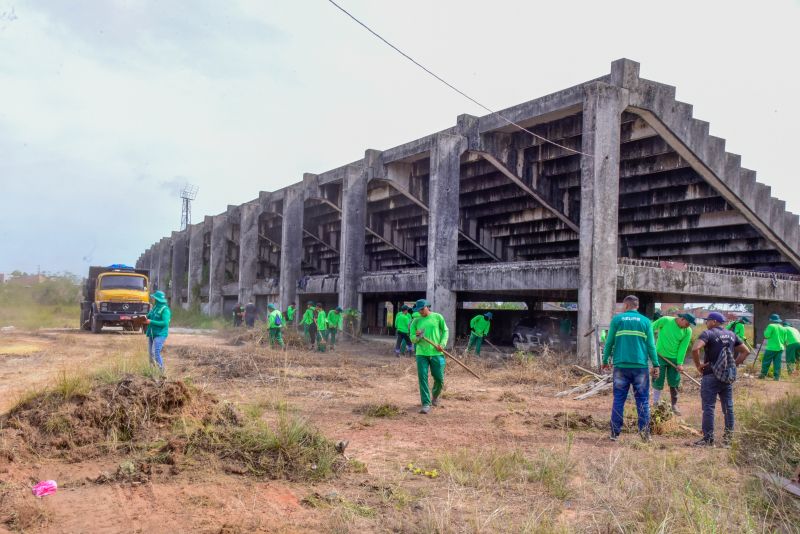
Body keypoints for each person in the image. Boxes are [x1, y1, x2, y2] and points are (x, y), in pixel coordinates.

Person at [601, 295, 659, 442]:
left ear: (626, 306)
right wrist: (656, 364)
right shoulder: (646, 322)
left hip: (621, 366)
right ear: (637, 306)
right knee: (643, 400)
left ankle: (614, 433)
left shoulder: (617, 320)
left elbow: (609, 343)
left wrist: (605, 360)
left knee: (619, 398)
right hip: (640, 367)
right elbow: (651, 346)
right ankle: (645, 434)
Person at [690, 311, 749, 447]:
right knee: (728, 407)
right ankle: (728, 440)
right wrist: (733, 365)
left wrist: (699, 365)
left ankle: (708, 439)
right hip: (726, 377)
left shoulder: (708, 334)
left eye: (708, 320)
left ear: (714, 322)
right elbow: (746, 351)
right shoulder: (732, 335)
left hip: (710, 375)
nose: (706, 323)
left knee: (709, 407)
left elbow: (695, 349)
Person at [651, 312, 695, 415]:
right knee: (658, 378)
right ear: (682, 319)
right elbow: (650, 328)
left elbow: (683, 348)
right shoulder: (666, 320)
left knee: (674, 381)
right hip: (659, 356)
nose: (688, 326)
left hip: (674, 359)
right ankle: (655, 403)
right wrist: (651, 344)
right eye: (688, 323)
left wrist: (680, 363)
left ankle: (674, 405)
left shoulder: (687, 331)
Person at [409, 299, 449, 414]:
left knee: (439, 379)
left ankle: (435, 396)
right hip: (421, 354)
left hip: (437, 353)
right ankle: (426, 404)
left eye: (422, 309)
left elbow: (445, 331)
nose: (420, 311)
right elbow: (412, 338)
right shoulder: (415, 321)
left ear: (427, 307)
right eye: (419, 310)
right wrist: (417, 337)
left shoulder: (438, 317)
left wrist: (442, 344)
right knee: (423, 378)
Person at [144, 290, 172, 375]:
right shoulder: (154, 308)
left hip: (160, 334)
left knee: (155, 352)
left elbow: (165, 323)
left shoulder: (165, 310)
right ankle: (152, 372)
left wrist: (151, 322)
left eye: (154, 298)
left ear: (157, 299)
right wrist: (142, 318)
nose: (153, 300)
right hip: (152, 333)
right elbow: (148, 316)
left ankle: (162, 373)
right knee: (150, 355)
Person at [760, 314, 786, 380]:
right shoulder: (783, 328)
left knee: (766, 361)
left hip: (771, 348)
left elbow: (766, 335)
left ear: (771, 320)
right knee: (777, 363)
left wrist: (765, 331)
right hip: (780, 348)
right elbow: (785, 339)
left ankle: (763, 375)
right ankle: (776, 377)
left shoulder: (771, 326)